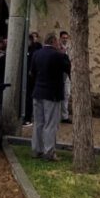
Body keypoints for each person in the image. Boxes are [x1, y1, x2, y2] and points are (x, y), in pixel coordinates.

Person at [30, 33, 71, 161]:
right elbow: (68, 68)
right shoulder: (58, 55)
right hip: (52, 93)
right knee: (50, 124)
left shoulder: (37, 54)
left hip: (38, 92)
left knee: (38, 123)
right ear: (53, 41)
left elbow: (32, 72)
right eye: (57, 42)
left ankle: (37, 149)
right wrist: (64, 54)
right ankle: (49, 151)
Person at [23, 31, 42, 126]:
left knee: (29, 98)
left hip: (31, 78)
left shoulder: (35, 49)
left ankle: (28, 117)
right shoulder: (27, 49)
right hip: (26, 77)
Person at [59, 30, 72, 122]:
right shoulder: (58, 48)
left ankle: (65, 116)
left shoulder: (69, 48)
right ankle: (60, 115)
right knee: (59, 94)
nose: (65, 39)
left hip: (67, 74)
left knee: (67, 94)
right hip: (59, 73)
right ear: (60, 38)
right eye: (63, 38)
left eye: (66, 38)